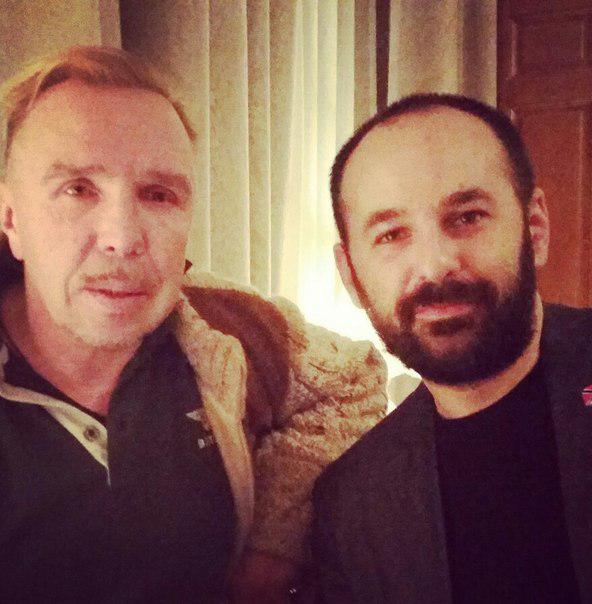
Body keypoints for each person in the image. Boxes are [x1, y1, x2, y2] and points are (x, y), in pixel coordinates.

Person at [0, 45, 388, 602]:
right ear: (12, 219)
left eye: (158, 195)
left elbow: (354, 382)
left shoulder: (229, 326)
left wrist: (272, 550)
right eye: (78, 189)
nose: (123, 238)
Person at [312, 93, 592, 603]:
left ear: (534, 229)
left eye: (467, 217)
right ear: (351, 275)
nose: (435, 265)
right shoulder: (353, 502)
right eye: (391, 235)